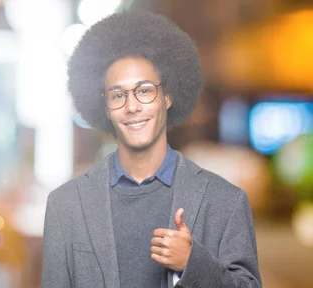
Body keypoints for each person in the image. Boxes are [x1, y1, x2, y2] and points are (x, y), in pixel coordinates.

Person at [41, 11, 261, 288]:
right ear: (106, 108)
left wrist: (193, 263)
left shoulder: (225, 202)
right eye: (118, 95)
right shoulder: (66, 206)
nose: (132, 106)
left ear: (167, 96)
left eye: (144, 90)